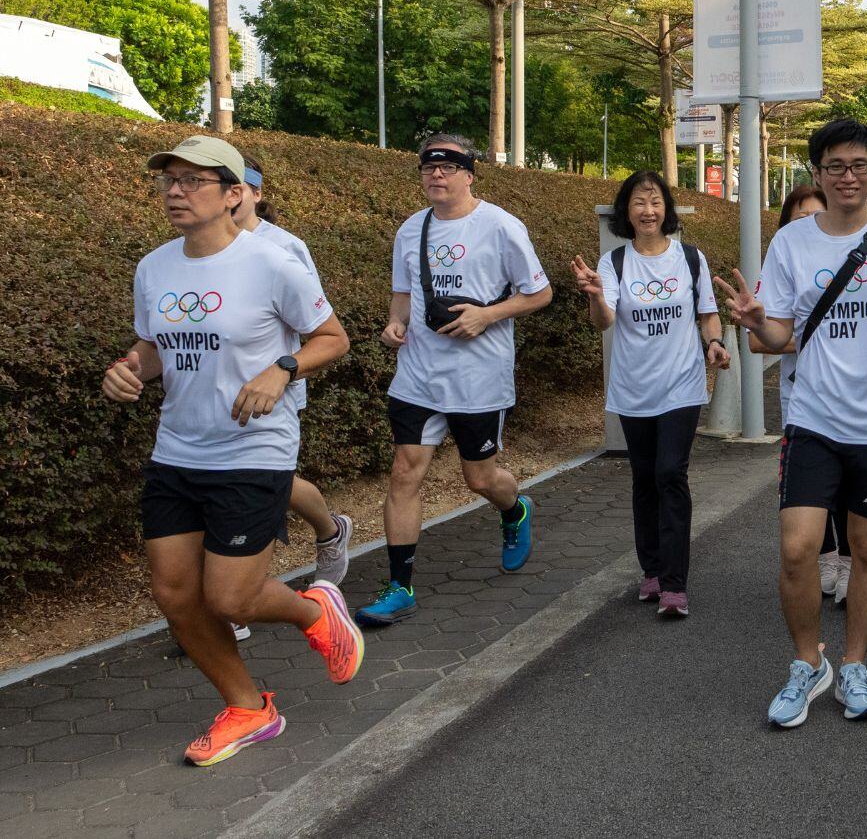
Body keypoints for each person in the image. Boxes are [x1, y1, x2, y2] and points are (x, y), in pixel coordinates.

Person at [102, 135, 361, 766]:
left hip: (254, 451)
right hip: (177, 450)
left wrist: (282, 369)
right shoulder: (154, 267)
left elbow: (334, 338)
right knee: (176, 596)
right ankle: (248, 708)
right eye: (169, 180)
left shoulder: (273, 264)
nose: (175, 191)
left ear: (233, 193)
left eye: (193, 181)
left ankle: (313, 609)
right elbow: (156, 350)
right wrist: (127, 369)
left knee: (232, 599)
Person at [718, 117, 867, 728]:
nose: (848, 177)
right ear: (817, 173)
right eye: (836, 167)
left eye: (860, 167)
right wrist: (758, 321)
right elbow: (782, 334)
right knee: (798, 549)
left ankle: (855, 664)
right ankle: (807, 663)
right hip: (812, 419)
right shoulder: (792, 243)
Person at [358, 136, 553, 626]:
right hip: (419, 375)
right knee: (405, 472)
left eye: (448, 167)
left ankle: (515, 510)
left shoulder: (501, 226)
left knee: (479, 477)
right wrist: (394, 324)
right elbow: (402, 294)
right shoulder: (411, 229)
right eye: (428, 167)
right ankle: (400, 586)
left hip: (478, 378)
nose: (436, 175)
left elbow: (540, 293)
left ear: (470, 174)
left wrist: (487, 316)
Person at [572, 172, 730, 618]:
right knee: (644, 479)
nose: (648, 211)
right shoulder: (614, 262)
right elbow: (603, 321)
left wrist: (714, 344)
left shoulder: (691, 258)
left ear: (668, 210)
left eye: (655, 202)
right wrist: (596, 296)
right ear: (627, 211)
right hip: (633, 389)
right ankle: (653, 571)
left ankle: (675, 583)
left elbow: (708, 315)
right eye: (639, 203)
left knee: (669, 474)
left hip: (681, 386)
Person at [232, 156, 354, 589]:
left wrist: (284, 368)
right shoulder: (192, 245)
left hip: (273, 388)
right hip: (211, 393)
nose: (227, 194)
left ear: (256, 193)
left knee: (260, 484)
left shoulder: (284, 247)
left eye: (237, 184)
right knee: (260, 483)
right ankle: (332, 530)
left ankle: (237, 598)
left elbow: (318, 326)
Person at [765, 185, 856, 601]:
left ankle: (849, 561)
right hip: (799, 394)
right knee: (810, 488)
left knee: (847, 486)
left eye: (815, 214)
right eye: (799, 216)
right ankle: (826, 555)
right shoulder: (783, 260)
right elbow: (762, 339)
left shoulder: (857, 260)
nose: (809, 223)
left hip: (851, 397)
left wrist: (799, 334)